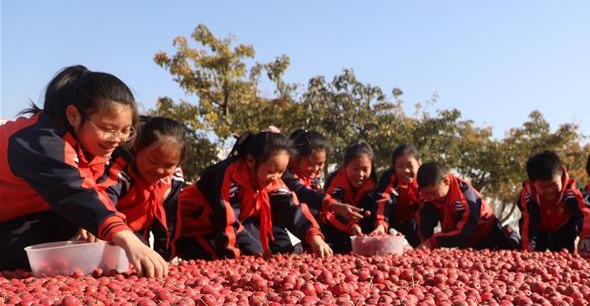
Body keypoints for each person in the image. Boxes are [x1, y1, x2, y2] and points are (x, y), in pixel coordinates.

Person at [0, 65, 167, 276]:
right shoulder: (40, 142)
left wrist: (103, 228)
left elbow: (92, 192)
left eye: (126, 131)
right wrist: (124, 235)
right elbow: (74, 191)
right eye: (107, 129)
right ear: (73, 115)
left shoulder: (89, 145)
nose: (117, 139)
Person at [175, 129, 331, 259]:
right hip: (194, 227)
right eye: (271, 171)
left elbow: (290, 206)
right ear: (251, 161)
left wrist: (313, 236)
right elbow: (225, 218)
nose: (276, 177)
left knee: (264, 253)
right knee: (238, 256)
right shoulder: (229, 175)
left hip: (230, 226)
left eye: (281, 172)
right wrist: (234, 259)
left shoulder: (270, 179)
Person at [98, 117, 187, 259]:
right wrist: (98, 227)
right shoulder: (120, 171)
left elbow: (170, 220)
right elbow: (102, 202)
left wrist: (165, 257)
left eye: (169, 165)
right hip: (107, 235)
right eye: (153, 161)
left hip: (138, 236)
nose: (159, 171)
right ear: (138, 148)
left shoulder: (173, 180)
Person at [416, 162, 520, 250]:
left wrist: (433, 242)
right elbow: (424, 223)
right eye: (427, 194)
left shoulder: (465, 196)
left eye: (433, 193)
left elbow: (465, 231)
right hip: (466, 245)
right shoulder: (427, 197)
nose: (431, 197)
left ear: (446, 181)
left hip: (488, 233)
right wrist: (425, 245)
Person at [518, 150, 590, 252]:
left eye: (553, 184)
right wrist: (527, 247)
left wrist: (586, 236)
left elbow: (584, 212)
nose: (549, 190)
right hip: (538, 229)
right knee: (533, 253)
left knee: (564, 255)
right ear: (533, 183)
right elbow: (528, 223)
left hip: (563, 227)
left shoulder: (571, 192)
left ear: (561, 175)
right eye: (543, 187)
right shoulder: (528, 196)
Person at [319, 141, 386, 253]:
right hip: (336, 232)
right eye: (355, 169)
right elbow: (330, 212)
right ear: (345, 166)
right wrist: (350, 226)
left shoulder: (375, 185)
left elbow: (379, 209)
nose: (360, 174)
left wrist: (380, 226)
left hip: (364, 235)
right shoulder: (335, 182)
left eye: (365, 170)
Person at [376, 143, 423, 246]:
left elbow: (426, 208)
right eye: (400, 166)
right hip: (392, 220)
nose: (405, 170)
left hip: (415, 221)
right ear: (394, 167)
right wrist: (381, 225)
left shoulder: (425, 178)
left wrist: (426, 240)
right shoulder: (389, 177)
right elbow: (383, 202)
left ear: (419, 163)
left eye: (410, 165)